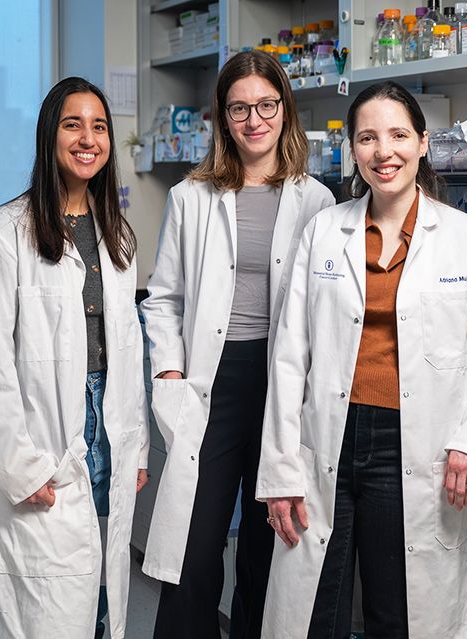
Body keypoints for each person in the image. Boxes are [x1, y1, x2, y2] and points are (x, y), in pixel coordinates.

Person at [255, 81, 467, 638]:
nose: (383, 151)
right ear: (353, 149)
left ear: (422, 143)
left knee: (399, 614)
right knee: (315, 608)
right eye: (367, 138)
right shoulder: (324, 231)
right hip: (327, 439)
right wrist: (279, 469)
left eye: (397, 135)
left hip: (414, 446)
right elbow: (290, 355)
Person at [140, 50, 335, 639]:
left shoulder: (317, 201)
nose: (255, 120)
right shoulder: (191, 196)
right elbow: (163, 297)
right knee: (194, 547)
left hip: (283, 386)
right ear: (223, 118)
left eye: (266, 105)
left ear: (285, 109)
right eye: (240, 108)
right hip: (212, 383)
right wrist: (169, 373)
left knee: (267, 544)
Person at [0, 76, 149, 639]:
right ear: (49, 135)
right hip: (42, 432)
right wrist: (17, 466)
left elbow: (125, 349)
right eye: (72, 125)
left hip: (106, 424)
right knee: (45, 600)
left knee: (100, 582)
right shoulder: (3, 235)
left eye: (99, 126)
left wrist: (134, 445)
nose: (88, 138)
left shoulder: (118, 236)